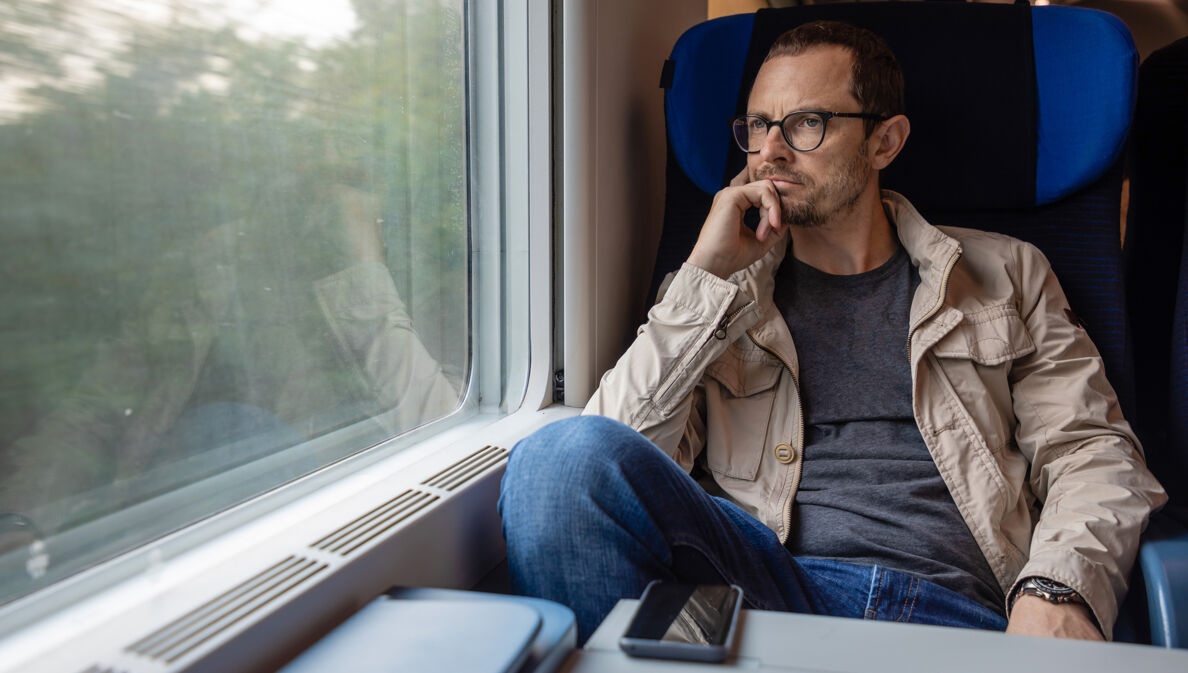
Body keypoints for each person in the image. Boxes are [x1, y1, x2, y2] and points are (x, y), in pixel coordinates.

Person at [499, 21, 1167, 645]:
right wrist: (706, 276)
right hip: (769, 600)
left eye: (806, 123)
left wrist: (1058, 585)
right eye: (758, 125)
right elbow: (602, 470)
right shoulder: (718, 295)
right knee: (551, 461)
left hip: (955, 615)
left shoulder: (1005, 272)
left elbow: (1092, 451)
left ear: (885, 141)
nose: (769, 152)